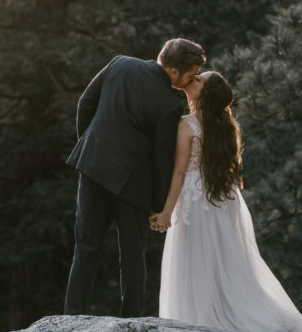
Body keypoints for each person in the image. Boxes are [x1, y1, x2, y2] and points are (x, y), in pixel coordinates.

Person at [150, 71, 302, 332]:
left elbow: (179, 172)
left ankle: (201, 319)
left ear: (205, 94)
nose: (193, 79)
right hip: (223, 198)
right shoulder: (228, 126)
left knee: (197, 259)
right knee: (224, 259)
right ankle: (223, 313)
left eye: (199, 80)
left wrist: (166, 212)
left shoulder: (187, 124)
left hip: (197, 199)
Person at [64, 38, 206, 317]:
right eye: (191, 73)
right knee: (132, 256)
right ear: (175, 71)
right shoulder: (169, 102)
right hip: (133, 185)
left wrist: (91, 146)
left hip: (93, 168)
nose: (192, 79)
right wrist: (158, 204)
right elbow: (163, 157)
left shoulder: (120, 64)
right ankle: (131, 320)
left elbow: (85, 102)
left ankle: (72, 315)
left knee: (86, 247)